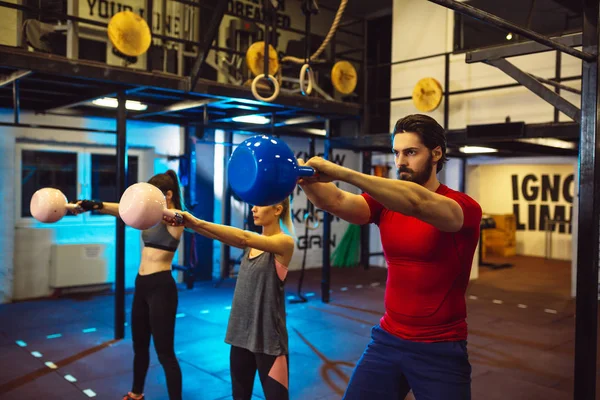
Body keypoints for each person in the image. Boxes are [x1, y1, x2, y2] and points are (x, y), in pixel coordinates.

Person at [298, 114, 482, 400]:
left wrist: (344, 172)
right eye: (396, 153)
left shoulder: (463, 207)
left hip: (440, 347)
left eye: (410, 152)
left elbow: (417, 202)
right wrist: (302, 178)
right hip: (388, 339)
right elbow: (335, 201)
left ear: (436, 153)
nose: (400, 162)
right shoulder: (385, 203)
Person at [164, 197, 295, 400]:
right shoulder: (251, 245)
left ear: (278, 209)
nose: (253, 208)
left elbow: (243, 237)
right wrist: (189, 223)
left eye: (260, 204)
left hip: (268, 338)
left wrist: (196, 222)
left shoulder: (284, 243)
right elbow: (226, 237)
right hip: (240, 335)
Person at [73, 170, 185, 400]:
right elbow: (124, 210)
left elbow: (177, 216)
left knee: (165, 353)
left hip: (161, 287)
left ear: (169, 194)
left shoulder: (176, 218)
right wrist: (97, 204)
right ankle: (136, 393)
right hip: (142, 285)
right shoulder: (150, 216)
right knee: (139, 345)